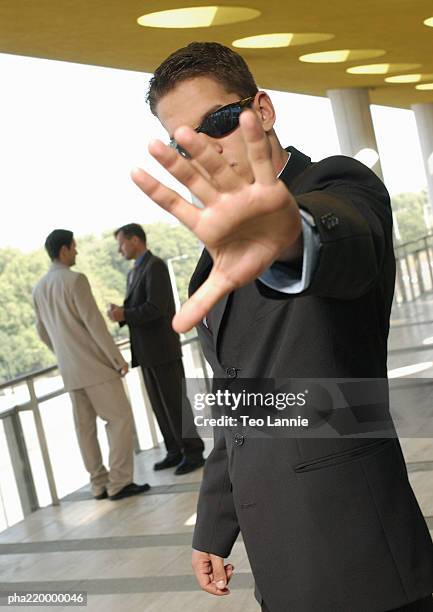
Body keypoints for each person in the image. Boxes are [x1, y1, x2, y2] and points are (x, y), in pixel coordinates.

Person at [130, 42, 433, 611]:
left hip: (357, 551)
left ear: (262, 110)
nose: (203, 150)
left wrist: (291, 235)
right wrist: (214, 524)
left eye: (217, 123)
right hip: (278, 553)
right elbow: (242, 402)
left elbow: (343, 235)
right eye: (182, 142)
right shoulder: (213, 258)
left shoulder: (338, 186)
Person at [33, 229, 151, 501]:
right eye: (74, 247)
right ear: (64, 250)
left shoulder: (39, 287)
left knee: (85, 429)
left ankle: (98, 483)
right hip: (96, 367)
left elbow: (41, 331)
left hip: (69, 370)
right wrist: (117, 359)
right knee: (119, 420)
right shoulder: (75, 280)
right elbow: (94, 324)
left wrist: (63, 352)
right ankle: (120, 482)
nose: (77, 251)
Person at [107, 223, 205, 475]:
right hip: (146, 351)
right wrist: (122, 314)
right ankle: (174, 449)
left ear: (136, 240)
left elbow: (155, 307)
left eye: (121, 243)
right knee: (159, 405)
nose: (120, 250)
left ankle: (193, 451)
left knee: (174, 402)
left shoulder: (156, 266)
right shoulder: (133, 272)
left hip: (162, 348)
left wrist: (124, 313)